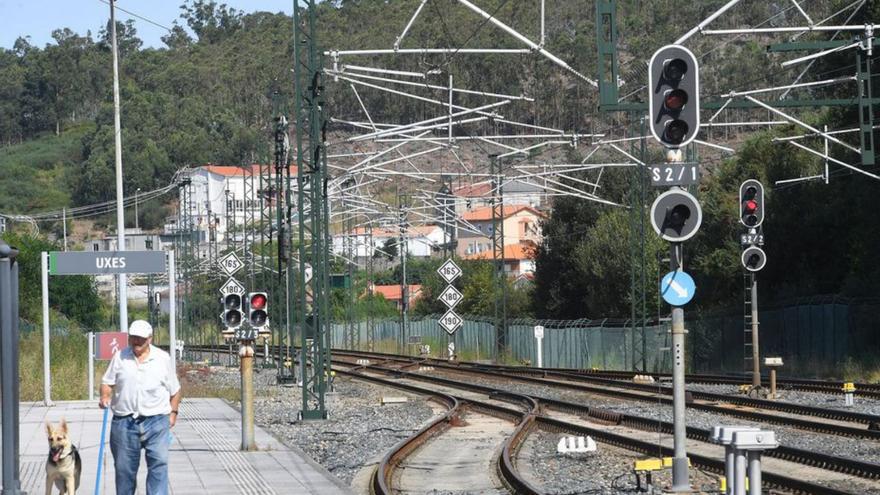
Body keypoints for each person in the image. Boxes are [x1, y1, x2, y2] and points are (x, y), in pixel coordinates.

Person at [99, 320, 182, 495]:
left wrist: (173, 413)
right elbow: (107, 382)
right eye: (133, 337)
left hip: (157, 421)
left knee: (159, 466)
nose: (136, 341)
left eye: (141, 339)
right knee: (124, 471)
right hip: (124, 422)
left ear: (150, 339)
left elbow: (175, 391)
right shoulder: (120, 357)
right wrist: (105, 396)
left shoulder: (162, 358)